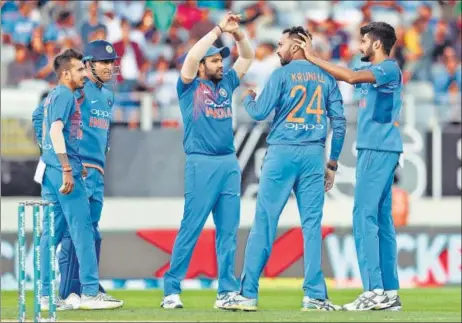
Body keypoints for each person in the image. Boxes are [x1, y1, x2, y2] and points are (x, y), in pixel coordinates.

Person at [221, 26, 346, 312]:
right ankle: (315, 296)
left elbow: (259, 113)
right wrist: (333, 163)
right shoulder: (327, 77)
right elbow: (339, 123)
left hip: (281, 154)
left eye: (281, 44)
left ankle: (248, 295)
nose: (278, 50)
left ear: (296, 47)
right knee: (312, 227)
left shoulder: (280, 75)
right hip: (315, 155)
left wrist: (249, 97)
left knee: (265, 223)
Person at [295, 21, 403, 311]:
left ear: (377, 44)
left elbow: (352, 78)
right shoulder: (378, 72)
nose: (359, 46)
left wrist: (313, 57)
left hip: (377, 149)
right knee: (381, 221)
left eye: (363, 41)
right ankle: (389, 292)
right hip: (380, 149)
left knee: (363, 217)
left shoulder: (388, 68)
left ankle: (374, 290)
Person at [161, 12, 254, 309]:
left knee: (228, 232)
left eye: (220, 60)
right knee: (191, 227)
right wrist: (217, 31)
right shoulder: (188, 86)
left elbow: (248, 57)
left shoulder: (226, 82)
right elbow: (190, 58)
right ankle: (171, 290)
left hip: (228, 164)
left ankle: (226, 292)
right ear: (202, 65)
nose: (220, 64)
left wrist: (238, 35)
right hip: (201, 163)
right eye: (214, 60)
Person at [33, 40, 124, 309]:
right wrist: (53, 153)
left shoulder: (107, 95)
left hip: (92, 168)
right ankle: (78, 290)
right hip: (73, 167)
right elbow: (42, 117)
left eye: (111, 62)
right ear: (88, 65)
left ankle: (66, 292)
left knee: (86, 232)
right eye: (103, 62)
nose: (109, 67)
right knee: (77, 232)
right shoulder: (73, 93)